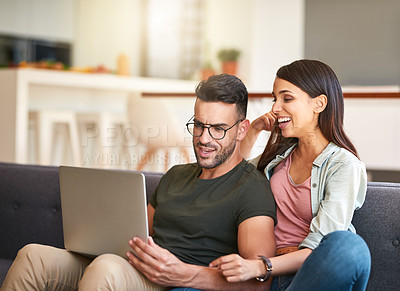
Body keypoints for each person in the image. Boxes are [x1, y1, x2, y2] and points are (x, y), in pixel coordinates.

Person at [1, 74, 276, 291]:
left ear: (242, 129)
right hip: (131, 265)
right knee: (32, 256)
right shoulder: (175, 176)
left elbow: (258, 282)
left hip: (163, 278)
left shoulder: (250, 189)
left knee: (106, 267)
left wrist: (186, 274)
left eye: (218, 129)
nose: (204, 139)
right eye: (199, 126)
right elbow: (135, 234)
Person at [210, 60, 371, 290]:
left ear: (319, 104)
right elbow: (231, 173)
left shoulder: (344, 165)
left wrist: (259, 267)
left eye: (287, 98)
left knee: (348, 245)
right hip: (269, 278)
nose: (275, 108)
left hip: (308, 274)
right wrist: (253, 130)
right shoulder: (277, 158)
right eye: (275, 98)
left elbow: (320, 246)